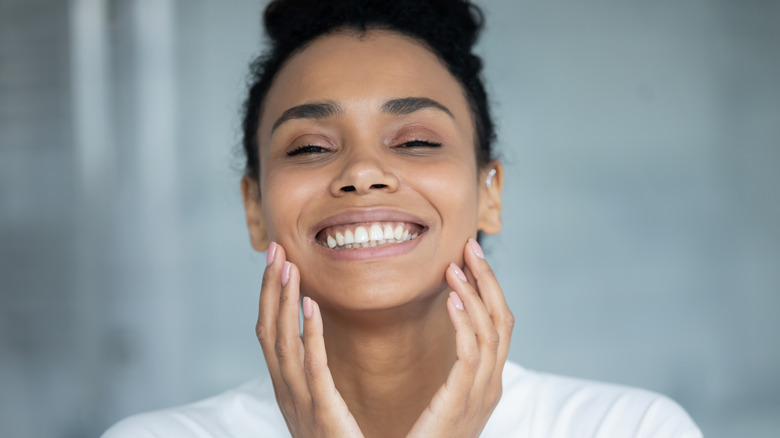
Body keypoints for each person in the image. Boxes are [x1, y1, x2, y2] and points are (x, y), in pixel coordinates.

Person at [104, 0, 702, 436]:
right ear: (254, 208)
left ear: (489, 191)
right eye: (310, 147)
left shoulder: (629, 429)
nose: (362, 172)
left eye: (416, 141)